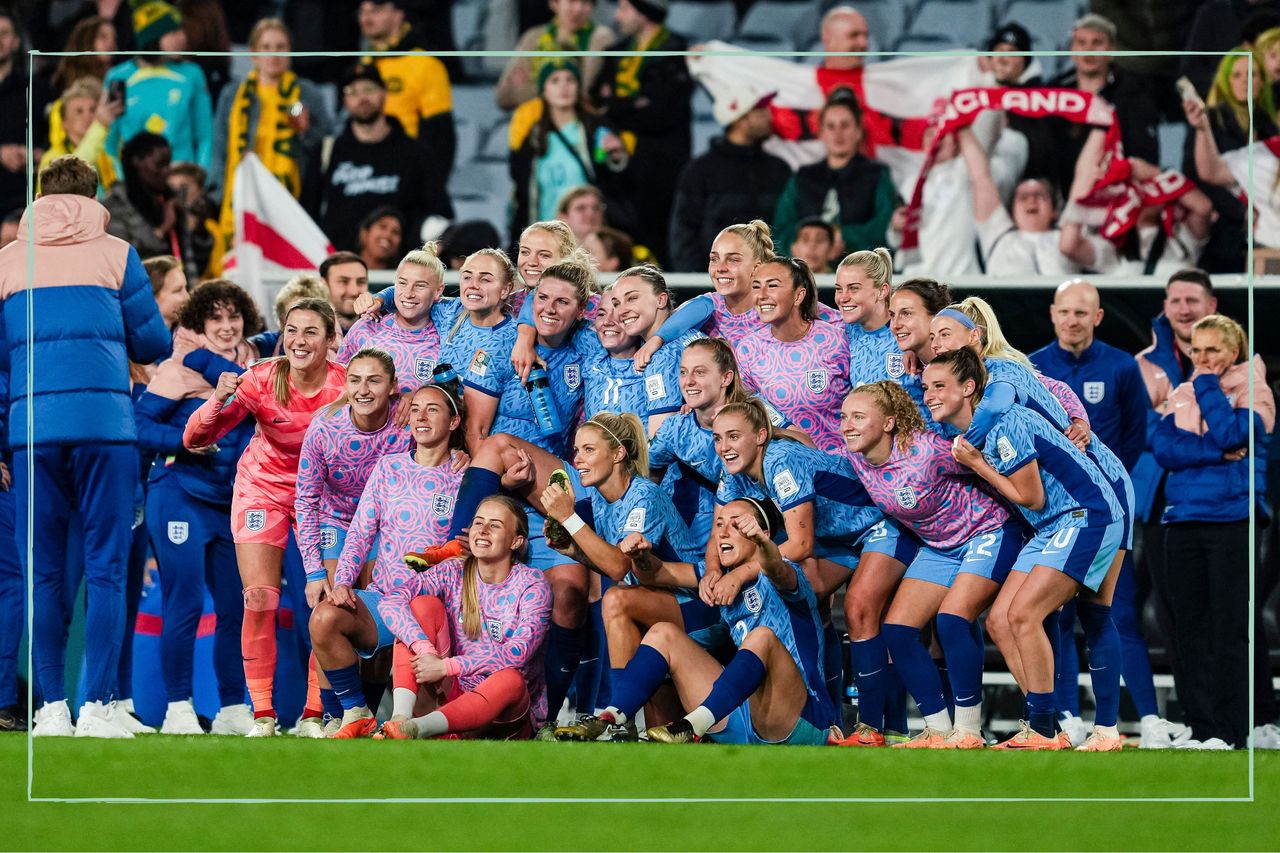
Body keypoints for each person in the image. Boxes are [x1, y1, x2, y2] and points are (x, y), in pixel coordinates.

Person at [1, 156, 169, 738]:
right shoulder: (118, 254)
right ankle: (98, 706)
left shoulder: (5, 262)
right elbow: (153, 341)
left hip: (31, 434)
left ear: (39, 195)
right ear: (95, 196)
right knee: (105, 569)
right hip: (105, 429)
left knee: (42, 572)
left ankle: (50, 709)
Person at [933, 348, 1125, 750]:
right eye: (926, 387)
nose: (930, 395)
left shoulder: (1005, 423)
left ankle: (1047, 727)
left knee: (1026, 615)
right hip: (1053, 524)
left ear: (969, 388)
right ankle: (1047, 726)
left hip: (1085, 514)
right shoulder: (974, 434)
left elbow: (1032, 497)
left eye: (939, 386)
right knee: (1000, 620)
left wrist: (979, 467)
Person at [1030, 278, 1191, 748]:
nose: (1072, 320)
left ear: (1097, 317)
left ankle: (1148, 719)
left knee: (1114, 612)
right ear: (1053, 313)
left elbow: (1136, 439)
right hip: (1055, 510)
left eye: (1082, 312)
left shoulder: (1121, 367)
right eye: (1065, 311)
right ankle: (1064, 716)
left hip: (1105, 510)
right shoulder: (1033, 367)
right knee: (1054, 614)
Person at [183, 298, 347, 737]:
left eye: (312, 331)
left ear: (332, 341)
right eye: (292, 330)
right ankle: (263, 716)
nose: (299, 340)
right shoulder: (260, 379)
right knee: (258, 598)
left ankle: (315, 715)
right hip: (264, 489)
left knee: (325, 604)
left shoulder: (348, 387)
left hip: (324, 498)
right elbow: (196, 436)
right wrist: (217, 400)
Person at [560, 498, 838, 745]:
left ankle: (691, 727)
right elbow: (658, 574)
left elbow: (776, 567)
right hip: (740, 715)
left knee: (761, 636)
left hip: (797, 718)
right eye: (719, 525)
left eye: (737, 524)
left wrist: (766, 545)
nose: (724, 532)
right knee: (662, 633)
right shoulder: (715, 576)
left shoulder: (789, 574)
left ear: (761, 533)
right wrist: (642, 558)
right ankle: (611, 719)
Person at [839, 381, 1022, 748]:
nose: (847, 425)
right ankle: (938, 730)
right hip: (940, 546)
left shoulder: (926, 450)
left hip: (988, 531)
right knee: (898, 630)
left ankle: (968, 731)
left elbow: (989, 470)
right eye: (844, 417)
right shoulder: (857, 459)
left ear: (889, 423)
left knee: (952, 619)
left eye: (859, 417)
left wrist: (1035, 527)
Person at [135, 279, 262, 735]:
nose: (227, 327)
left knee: (235, 607)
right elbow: (139, 424)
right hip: (179, 496)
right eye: (216, 319)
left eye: (234, 317)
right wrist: (185, 445)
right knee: (184, 602)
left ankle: (231, 708)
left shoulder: (257, 367)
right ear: (199, 324)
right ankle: (177, 708)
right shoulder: (176, 372)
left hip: (230, 505)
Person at [309, 382, 468, 737]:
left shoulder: (466, 476)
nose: (421, 417)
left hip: (434, 608)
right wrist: (345, 582)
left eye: (432, 410)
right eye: (414, 409)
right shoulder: (389, 468)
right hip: (383, 600)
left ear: (454, 422)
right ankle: (355, 712)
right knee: (324, 617)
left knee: (426, 729)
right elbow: (361, 532)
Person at [1152, 314, 1273, 749]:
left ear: (1234, 351)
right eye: (1196, 350)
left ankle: (1230, 727)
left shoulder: (1254, 390)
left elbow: (1232, 432)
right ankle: (1201, 726)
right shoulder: (1181, 391)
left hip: (1232, 519)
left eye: (1213, 350)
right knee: (1190, 627)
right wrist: (1216, 455)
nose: (1202, 358)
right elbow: (1164, 448)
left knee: (1228, 628)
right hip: (1182, 520)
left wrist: (1206, 388)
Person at [377, 495, 553, 739]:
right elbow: (391, 600)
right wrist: (426, 649)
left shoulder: (532, 584)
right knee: (422, 606)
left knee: (511, 678)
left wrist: (446, 666)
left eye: (495, 525)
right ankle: (401, 720)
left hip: (503, 716)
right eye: (478, 523)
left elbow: (517, 655)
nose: (483, 530)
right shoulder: (452, 570)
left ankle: (419, 729)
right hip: (449, 696)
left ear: (516, 541)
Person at [1133, 269, 1218, 726]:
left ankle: (1244, 718)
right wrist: (1208, 436)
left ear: (1212, 305)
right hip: (1161, 501)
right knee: (1175, 614)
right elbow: (1147, 434)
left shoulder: (1236, 359)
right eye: (1176, 300)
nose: (1183, 308)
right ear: (1165, 306)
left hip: (1223, 501)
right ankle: (1198, 719)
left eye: (1192, 299)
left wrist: (1175, 418)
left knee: (1224, 615)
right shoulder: (1144, 363)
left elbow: (1244, 429)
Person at [302, 63, 452, 256]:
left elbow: (440, 217)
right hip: (338, 269)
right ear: (344, 100)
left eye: (369, 89)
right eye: (352, 91)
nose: (362, 97)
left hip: (398, 274)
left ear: (384, 94)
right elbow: (305, 217)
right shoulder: (326, 152)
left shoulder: (416, 153)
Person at [211, 18, 336, 235]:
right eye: (266, 47)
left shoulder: (308, 93)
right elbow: (220, 147)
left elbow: (327, 141)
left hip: (293, 199)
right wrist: (218, 194)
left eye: (281, 47)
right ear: (253, 53)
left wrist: (306, 132)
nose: (274, 54)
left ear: (291, 52)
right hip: (243, 195)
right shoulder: (232, 94)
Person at [593, 0, 694, 264]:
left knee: (659, 248)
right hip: (620, 174)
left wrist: (615, 105)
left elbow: (661, 112)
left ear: (643, 12)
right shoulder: (615, 51)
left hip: (660, 174)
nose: (617, 16)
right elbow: (597, 102)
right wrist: (634, 103)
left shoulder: (674, 48)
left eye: (624, 8)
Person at [667, 81, 790, 273]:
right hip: (715, 288)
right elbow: (683, 236)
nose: (769, 116)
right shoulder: (700, 171)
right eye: (760, 111)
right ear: (740, 119)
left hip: (770, 287)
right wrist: (700, 286)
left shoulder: (779, 169)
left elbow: (788, 230)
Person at [736, 257, 850, 454]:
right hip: (782, 467)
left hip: (840, 464)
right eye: (756, 287)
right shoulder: (748, 349)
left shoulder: (836, 340)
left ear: (798, 296)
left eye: (772, 286)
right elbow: (749, 409)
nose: (761, 295)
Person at [508, 59, 630, 239]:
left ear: (579, 87)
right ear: (544, 91)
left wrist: (617, 158)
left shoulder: (596, 129)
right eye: (555, 80)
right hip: (546, 239)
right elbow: (523, 192)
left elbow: (618, 183)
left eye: (570, 80)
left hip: (588, 239)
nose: (563, 87)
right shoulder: (532, 138)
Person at [772, 88, 898, 255]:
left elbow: (887, 226)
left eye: (845, 125)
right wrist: (799, 247)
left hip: (860, 270)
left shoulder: (876, 175)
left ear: (858, 131)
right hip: (806, 272)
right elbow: (780, 229)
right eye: (831, 126)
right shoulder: (803, 177)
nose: (838, 133)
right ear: (821, 133)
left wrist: (841, 237)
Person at [1045, 14, 1161, 193]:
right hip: (1062, 194)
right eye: (1081, 43)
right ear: (1072, 50)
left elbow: (1145, 158)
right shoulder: (1054, 92)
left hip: (1118, 193)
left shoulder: (1132, 94)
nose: (1089, 50)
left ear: (1111, 50)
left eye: (1097, 42)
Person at [102, 0, 214, 174]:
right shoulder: (118, 77)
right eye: (173, 31)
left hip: (180, 179)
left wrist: (200, 179)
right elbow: (110, 139)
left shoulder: (193, 74)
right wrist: (121, 181)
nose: (182, 37)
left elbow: (205, 136)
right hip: (134, 183)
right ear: (152, 37)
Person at [357, 0, 456, 173]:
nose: (366, 18)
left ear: (398, 14)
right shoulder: (362, 65)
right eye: (362, 12)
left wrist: (428, 187)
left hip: (406, 172)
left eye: (376, 10)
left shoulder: (426, 65)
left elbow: (440, 137)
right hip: (363, 171)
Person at [338, 243, 445, 393]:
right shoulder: (366, 328)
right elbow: (337, 385)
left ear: (438, 291)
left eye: (420, 285)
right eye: (402, 283)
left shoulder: (446, 341)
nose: (408, 293)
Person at [496, 0, 616, 112]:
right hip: (536, 122)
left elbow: (581, 93)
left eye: (585, 2)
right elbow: (505, 95)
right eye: (572, 1)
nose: (578, 9)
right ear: (554, 3)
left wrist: (532, 86)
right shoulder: (533, 38)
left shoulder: (600, 38)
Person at [0, 10, 52, 219]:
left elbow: (57, 139)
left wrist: (37, 156)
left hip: (27, 203)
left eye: (4, 33)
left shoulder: (39, 90)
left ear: (15, 41)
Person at [103, 132, 181, 260]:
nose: (166, 171)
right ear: (136, 161)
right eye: (159, 165)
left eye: (168, 164)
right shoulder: (114, 207)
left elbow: (193, 258)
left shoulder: (169, 201)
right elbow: (121, 257)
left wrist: (196, 226)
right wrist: (162, 231)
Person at [38, 77, 122, 194]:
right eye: (79, 111)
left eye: (93, 110)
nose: (88, 116)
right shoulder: (51, 159)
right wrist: (101, 126)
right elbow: (73, 176)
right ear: (64, 123)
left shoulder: (109, 151)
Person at [834, 248, 900, 388]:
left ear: (882, 291)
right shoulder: (839, 328)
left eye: (854, 288)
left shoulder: (908, 334)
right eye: (839, 289)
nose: (843, 298)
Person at [320, 251, 370, 333]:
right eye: (343, 281)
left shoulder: (384, 327)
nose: (353, 292)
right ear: (323, 284)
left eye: (361, 282)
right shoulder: (303, 327)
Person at [355, 207, 406, 272]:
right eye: (383, 227)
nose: (387, 235)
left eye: (395, 232)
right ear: (364, 234)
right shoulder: (342, 270)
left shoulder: (401, 279)